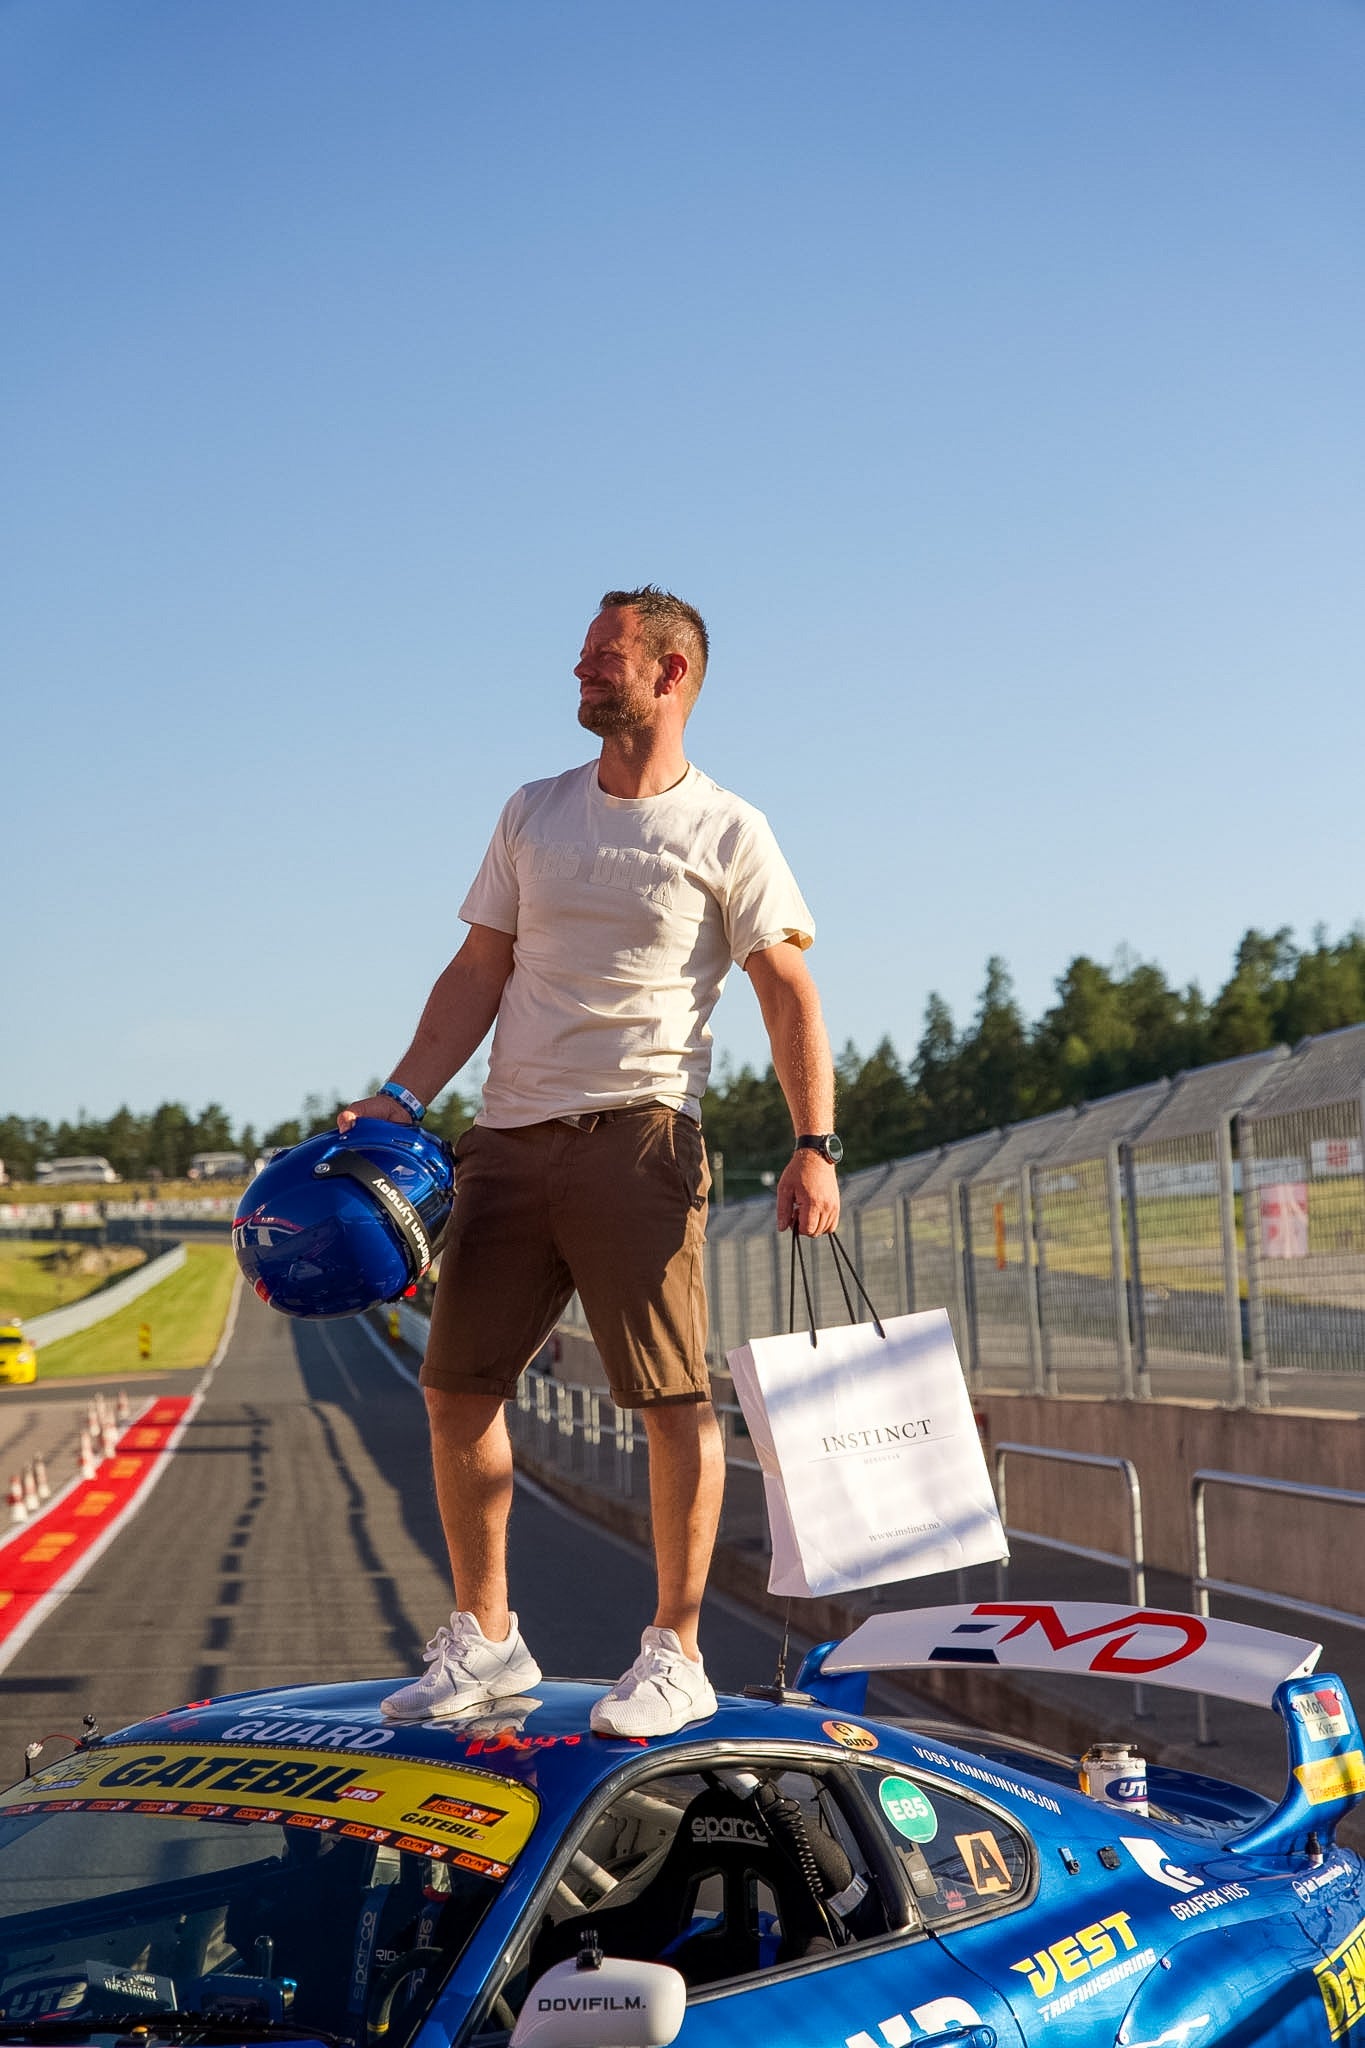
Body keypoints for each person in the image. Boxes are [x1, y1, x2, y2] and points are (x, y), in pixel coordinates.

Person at [339, 586, 840, 1737]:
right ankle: (488, 1638)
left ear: (670, 675)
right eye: (580, 658)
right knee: (456, 1385)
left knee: (670, 1396)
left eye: (602, 658)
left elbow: (787, 992)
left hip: (642, 1136)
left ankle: (675, 1648)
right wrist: (406, 1091)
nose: (579, 675)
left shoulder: (729, 828)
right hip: (507, 1139)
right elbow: (478, 970)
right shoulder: (533, 811)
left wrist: (814, 1143)